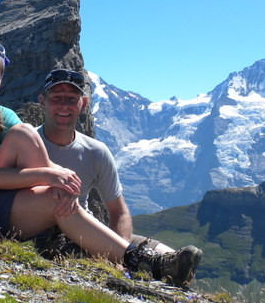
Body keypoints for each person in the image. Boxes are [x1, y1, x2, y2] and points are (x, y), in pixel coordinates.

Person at [0, 39, 201, 287]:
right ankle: (137, 263)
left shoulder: (8, 119)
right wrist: (53, 175)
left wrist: (54, 183)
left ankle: (162, 265)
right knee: (55, 194)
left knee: (25, 138)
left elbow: (117, 210)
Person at [36, 69, 174, 254]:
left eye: (71, 99)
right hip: (44, 235)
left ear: (83, 104)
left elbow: (119, 211)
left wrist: (120, 253)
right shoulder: (24, 141)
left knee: (170, 256)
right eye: (56, 98)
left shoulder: (96, 152)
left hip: (88, 232)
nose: (64, 106)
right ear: (42, 101)